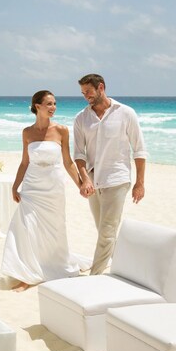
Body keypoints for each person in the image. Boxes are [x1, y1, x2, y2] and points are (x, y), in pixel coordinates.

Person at [1, 90, 88, 292]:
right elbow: (24, 162)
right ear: (37, 106)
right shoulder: (27, 133)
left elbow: (68, 162)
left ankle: (51, 266)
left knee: (55, 230)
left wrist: (81, 184)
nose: (53, 108)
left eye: (55, 104)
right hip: (32, 187)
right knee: (27, 228)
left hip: (53, 188)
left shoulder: (62, 131)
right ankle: (28, 275)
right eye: (49, 104)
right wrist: (15, 186)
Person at [72, 73, 148, 275]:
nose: (85, 96)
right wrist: (84, 179)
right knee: (105, 232)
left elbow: (139, 150)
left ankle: (94, 277)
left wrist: (140, 182)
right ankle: (130, 268)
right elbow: (79, 154)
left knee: (106, 233)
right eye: (82, 93)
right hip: (93, 181)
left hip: (117, 179)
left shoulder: (126, 113)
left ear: (101, 88)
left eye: (88, 91)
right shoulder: (81, 118)